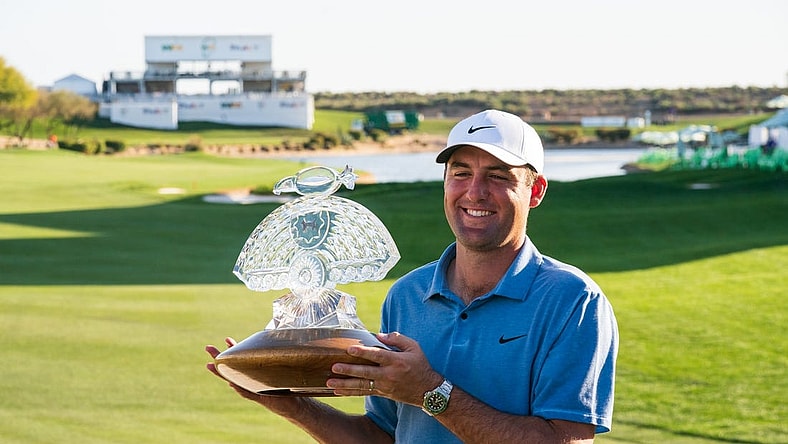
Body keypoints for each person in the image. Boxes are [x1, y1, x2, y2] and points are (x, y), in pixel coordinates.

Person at [206, 109, 619, 443]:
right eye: (460, 172)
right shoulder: (407, 295)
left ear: (535, 191)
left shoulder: (573, 300)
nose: (475, 192)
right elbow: (383, 436)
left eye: (498, 176)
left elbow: (565, 442)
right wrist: (290, 404)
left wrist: (431, 392)